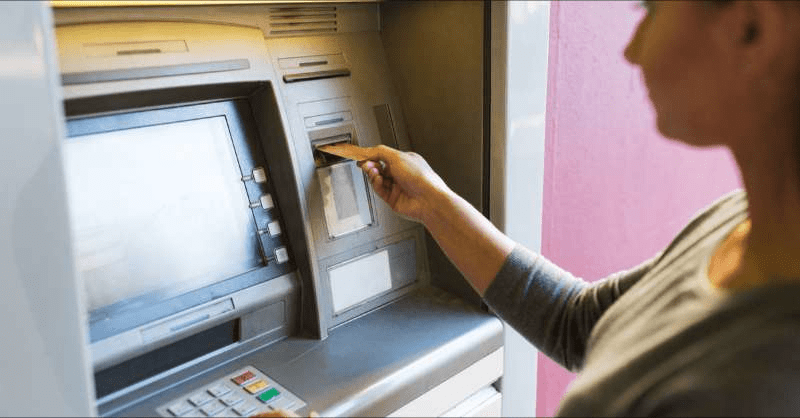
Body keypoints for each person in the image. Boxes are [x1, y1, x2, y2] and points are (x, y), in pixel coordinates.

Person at [353, 1, 800, 415]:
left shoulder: (760, 382)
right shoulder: (742, 219)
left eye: (651, 8)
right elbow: (581, 323)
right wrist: (433, 203)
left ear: (750, 29)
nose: (632, 49)